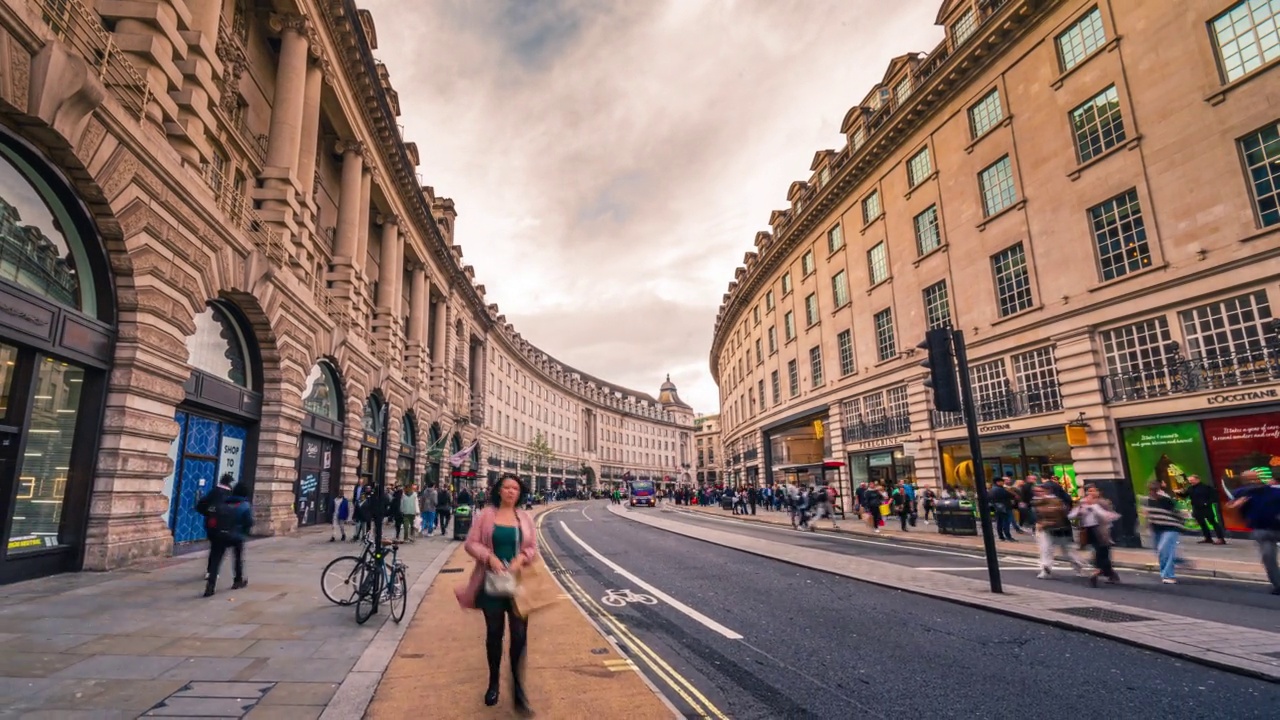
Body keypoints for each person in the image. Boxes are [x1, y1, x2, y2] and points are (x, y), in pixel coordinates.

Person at [456, 474, 537, 715]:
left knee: (520, 636)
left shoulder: (524, 517)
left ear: (520, 493)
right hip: (491, 582)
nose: (511, 491)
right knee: (494, 634)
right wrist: (489, 557)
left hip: (519, 584)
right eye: (507, 487)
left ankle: (519, 688)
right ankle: (493, 682)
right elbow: (470, 543)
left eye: (515, 488)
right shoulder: (486, 516)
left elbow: (532, 547)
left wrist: (522, 558)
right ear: (499, 491)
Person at [1226, 470, 1280, 595]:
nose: (1252, 482)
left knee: (1268, 557)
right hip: (1262, 530)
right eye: (1249, 479)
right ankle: (1278, 585)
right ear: (1244, 480)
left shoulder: (1272, 490)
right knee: (1268, 557)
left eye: (1254, 479)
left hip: (1276, 525)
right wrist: (1235, 507)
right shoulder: (1240, 493)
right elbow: (1230, 512)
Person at [198, 475, 253, 597]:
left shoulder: (224, 501)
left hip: (219, 534)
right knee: (238, 558)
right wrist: (244, 532)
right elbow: (249, 522)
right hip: (236, 536)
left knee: (216, 560)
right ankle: (237, 580)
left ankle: (210, 586)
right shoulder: (244, 505)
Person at [1143, 480, 1187, 584]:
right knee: (1160, 552)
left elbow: (1180, 512)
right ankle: (1177, 561)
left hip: (1171, 528)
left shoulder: (1167, 500)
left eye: (1155, 490)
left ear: (1159, 490)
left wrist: (1181, 522)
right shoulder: (1146, 501)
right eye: (1151, 490)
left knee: (1164, 550)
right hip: (1156, 529)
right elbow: (1148, 514)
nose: (1153, 492)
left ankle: (1168, 575)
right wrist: (1146, 525)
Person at [1182, 475, 1226, 545]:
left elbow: (1214, 497)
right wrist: (1179, 493)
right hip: (1196, 508)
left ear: (1197, 479)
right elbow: (1185, 495)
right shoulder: (1190, 488)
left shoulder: (1206, 487)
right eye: (1189, 481)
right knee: (1202, 524)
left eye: (1192, 480)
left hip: (1206, 508)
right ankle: (1208, 538)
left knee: (1213, 522)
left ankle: (1220, 538)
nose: (1190, 482)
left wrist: (1206, 503)